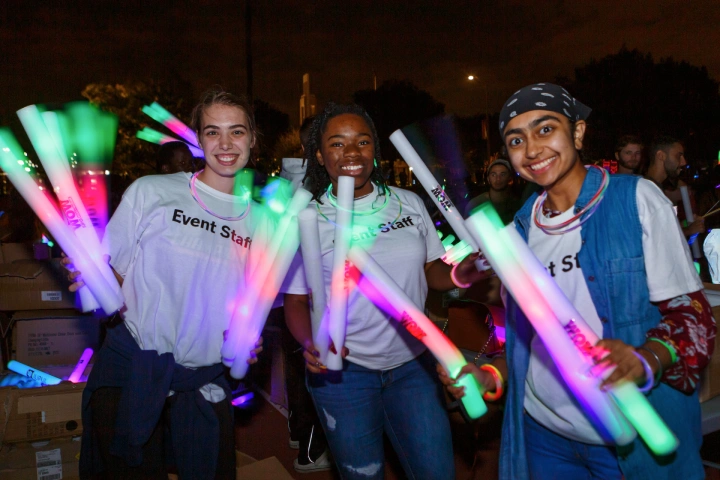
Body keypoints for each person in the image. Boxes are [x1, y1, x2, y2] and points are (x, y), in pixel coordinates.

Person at [439, 83, 715, 480]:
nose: (532, 149)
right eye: (516, 139)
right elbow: (532, 340)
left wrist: (645, 358)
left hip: (628, 439)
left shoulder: (635, 200)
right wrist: (491, 374)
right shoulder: (518, 233)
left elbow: (694, 318)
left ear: (579, 133)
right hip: (544, 436)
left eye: (545, 129)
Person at [282, 103, 491, 480]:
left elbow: (431, 270)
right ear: (318, 154)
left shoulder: (407, 202)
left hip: (415, 365)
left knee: (436, 472)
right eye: (337, 143)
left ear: (374, 151)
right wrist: (310, 340)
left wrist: (464, 272)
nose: (351, 153)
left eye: (362, 142)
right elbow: (296, 301)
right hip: (344, 373)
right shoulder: (307, 218)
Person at [66, 88, 265, 479]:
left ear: (252, 139)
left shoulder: (266, 222)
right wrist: (92, 281)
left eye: (237, 132)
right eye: (212, 132)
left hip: (204, 379)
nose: (225, 143)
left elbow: (253, 301)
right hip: (133, 369)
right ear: (197, 138)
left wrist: (248, 338)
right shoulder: (152, 191)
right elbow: (113, 280)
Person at [646, 136, 705, 239]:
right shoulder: (646, 190)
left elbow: (666, 225)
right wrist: (688, 231)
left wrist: (687, 223)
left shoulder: (658, 188)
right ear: (661, 156)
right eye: (679, 156)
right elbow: (652, 235)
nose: (683, 162)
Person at [464, 158, 522, 225]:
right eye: (493, 175)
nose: (498, 179)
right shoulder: (475, 204)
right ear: (488, 179)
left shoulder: (517, 204)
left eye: (502, 174)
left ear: (509, 177)